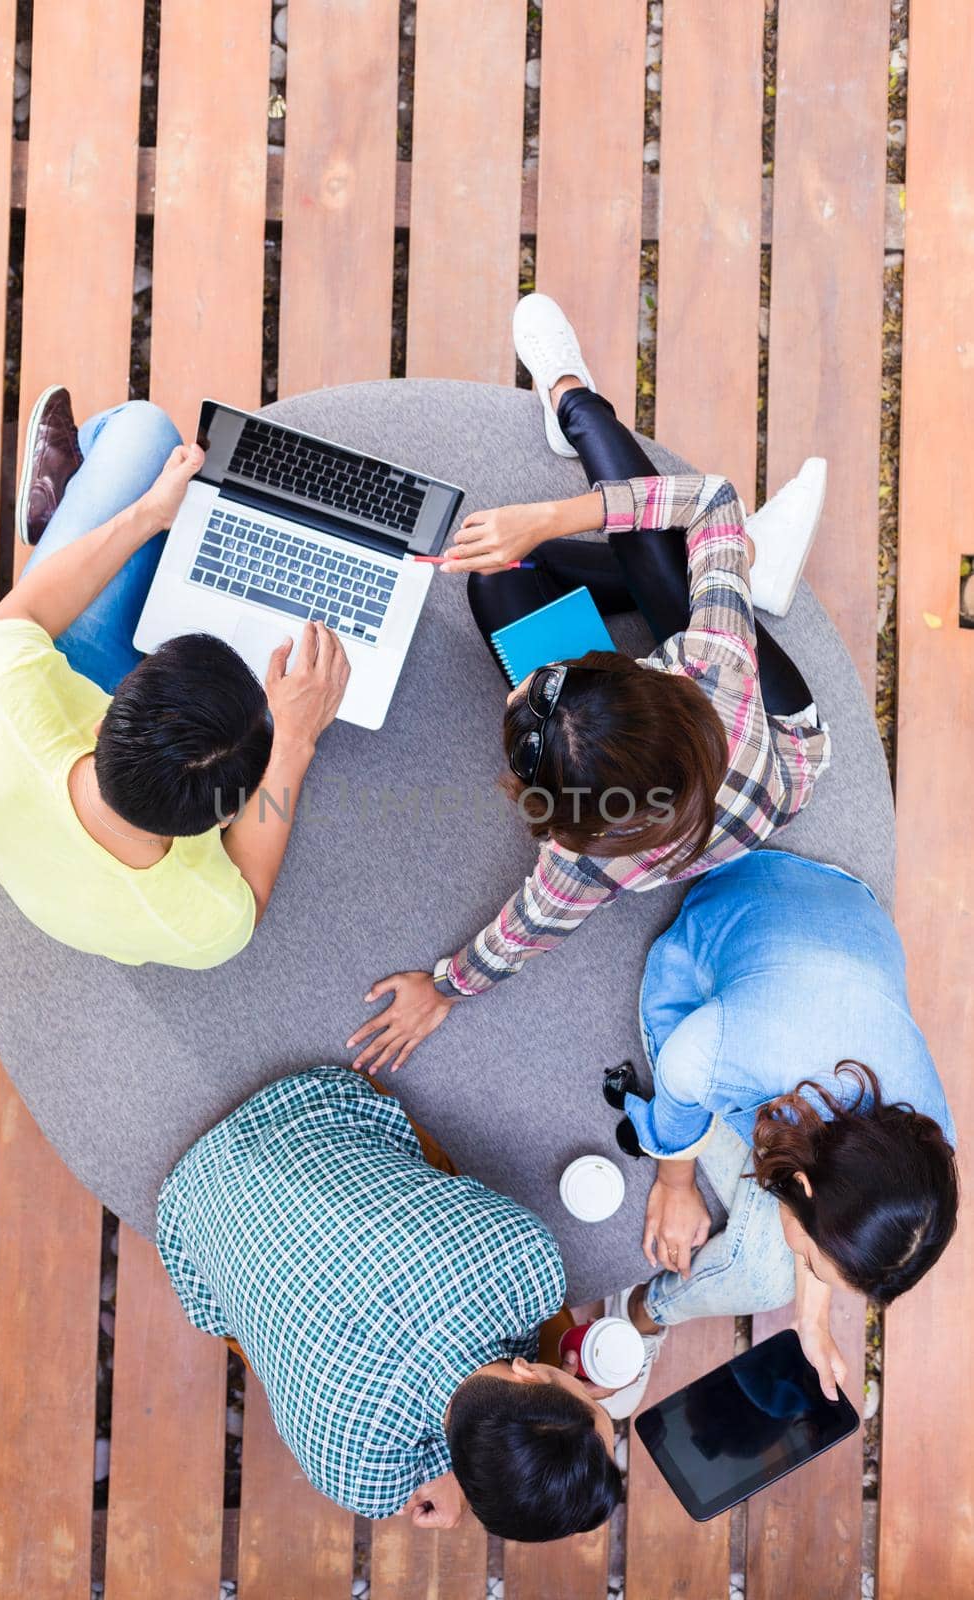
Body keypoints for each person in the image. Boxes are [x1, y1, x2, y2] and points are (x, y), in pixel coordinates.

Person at [348, 294, 830, 1071]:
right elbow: (710, 498)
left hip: (723, 745)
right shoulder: (715, 667)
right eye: (537, 689)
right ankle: (575, 404)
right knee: (651, 548)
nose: (513, 688)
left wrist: (445, 988)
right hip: (778, 730)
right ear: (642, 674)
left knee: (501, 579)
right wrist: (548, 515)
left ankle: (583, 412)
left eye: (519, 707)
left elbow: (522, 932)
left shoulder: (582, 864)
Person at [0, 388, 349, 969]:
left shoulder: (0, 694)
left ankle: (64, 501)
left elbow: (22, 613)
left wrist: (150, 513)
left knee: (143, 429)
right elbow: (251, 895)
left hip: (10, 770)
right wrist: (296, 741)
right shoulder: (204, 921)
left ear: (109, 709)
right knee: (150, 433)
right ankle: (75, 506)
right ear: (223, 817)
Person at [156, 1065, 622, 1540]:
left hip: (303, 1108)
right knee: (266, 1350)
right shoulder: (362, 1481)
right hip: (188, 1213)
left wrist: (559, 1382)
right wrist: (458, 1477)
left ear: (526, 1374)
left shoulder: (527, 1261)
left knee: (448, 1193)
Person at [605, 850, 958, 1406]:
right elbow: (680, 1069)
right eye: (816, 1262)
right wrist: (676, 1182)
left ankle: (647, 1313)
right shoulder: (734, 1052)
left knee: (777, 1275)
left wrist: (810, 1318)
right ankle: (640, 1314)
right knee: (768, 1277)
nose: (811, 1272)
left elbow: (842, 1209)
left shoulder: (930, 1146)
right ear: (811, 1184)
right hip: (715, 937)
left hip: (845, 909)